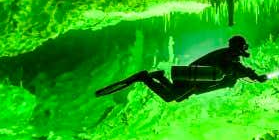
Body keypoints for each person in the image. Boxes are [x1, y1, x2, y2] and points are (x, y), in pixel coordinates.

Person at [94, 35, 268, 103]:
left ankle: (159, 77)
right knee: (171, 97)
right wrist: (256, 77)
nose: (244, 50)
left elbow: (237, 69)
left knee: (176, 97)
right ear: (239, 46)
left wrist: (252, 76)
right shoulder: (228, 56)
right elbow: (238, 68)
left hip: (193, 78)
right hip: (192, 79)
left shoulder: (227, 54)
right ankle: (145, 77)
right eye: (243, 47)